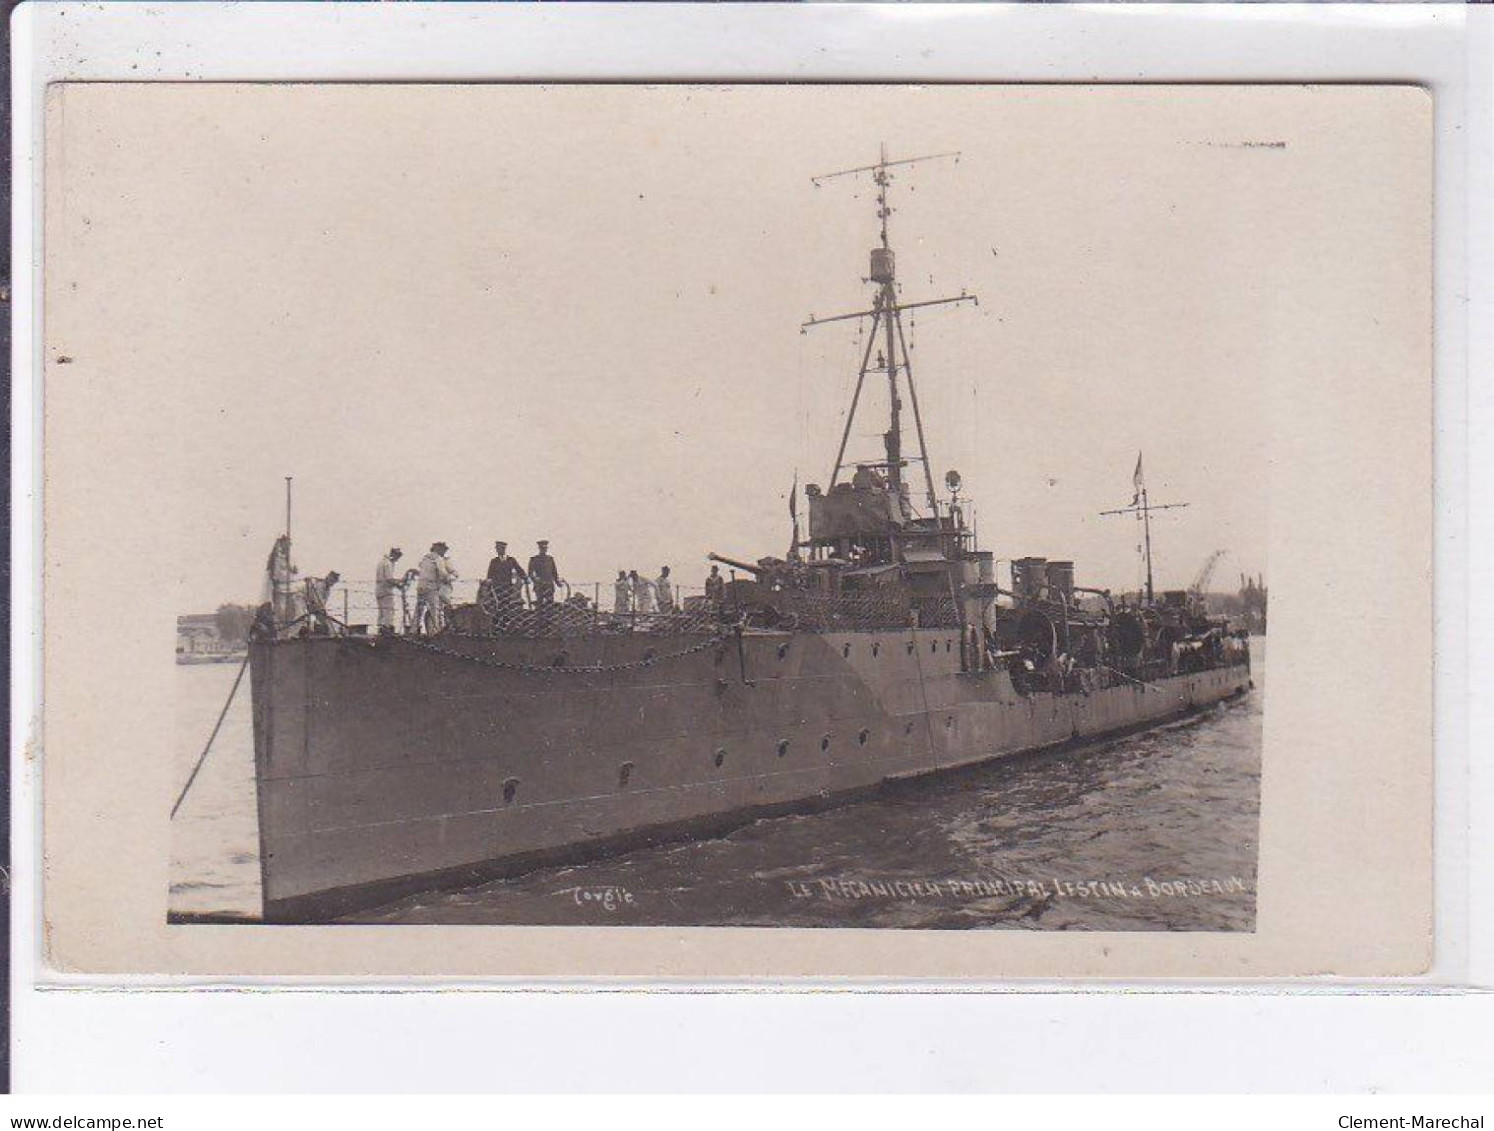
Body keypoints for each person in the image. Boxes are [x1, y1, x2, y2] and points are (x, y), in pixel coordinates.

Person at [484, 540, 527, 624]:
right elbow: (489, 575)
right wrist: (489, 581)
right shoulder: (494, 561)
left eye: (500, 549)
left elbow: (519, 570)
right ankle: (497, 623)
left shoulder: (511, 560)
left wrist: (525, 578)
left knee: (506, 604)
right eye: (497, 549)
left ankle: (505, 623)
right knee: (497, 604)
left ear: (504, 549)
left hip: (507, 586)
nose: (498, 551)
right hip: (497, 587)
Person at [415, 542, 454, 634]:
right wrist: (449, 579)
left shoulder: (425, 558)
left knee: (419, 609)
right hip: (431, 587)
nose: (444, 552)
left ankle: (413, 629)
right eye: (443, 549)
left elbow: (421, 567)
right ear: (438, 549)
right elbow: (443, 573)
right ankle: (437, 631)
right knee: (435, 609)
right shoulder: (438, 559)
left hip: (421, 586)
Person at [375, 547, 404, 635]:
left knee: (382, 611)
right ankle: (387, 630)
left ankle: (381, 629)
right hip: (386, 591)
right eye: (397, 556)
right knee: (389, 610)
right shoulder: (387, 564)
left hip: (379, 589)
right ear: (394, 555)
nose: (397, 559)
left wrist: (397, 581)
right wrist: (398, 585)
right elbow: (389, 579)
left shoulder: (381, 562)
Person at [304, 570, 341, 635]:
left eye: (334, 582)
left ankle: (330, 632)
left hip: (314, 606)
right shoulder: (320, 585)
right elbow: (316, 598)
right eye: (332, 580)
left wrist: (322, 610)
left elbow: (323, 602)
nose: (332, 583)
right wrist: (321, 609)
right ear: (328, 578)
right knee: (301, 616)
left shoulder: (328, 590)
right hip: (304, 600)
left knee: (324, 620)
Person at [527, 540, 561, 609]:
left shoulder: (550, 559)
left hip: (549, 585)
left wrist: (558, 582)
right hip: (539, 586)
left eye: (545, 548)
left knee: (550, 604)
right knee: (539, 604)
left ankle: (550, 618)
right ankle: (539, 618)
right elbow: (530, 573)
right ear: (539, 549)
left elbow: (554, 572)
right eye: (542, 548)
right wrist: (536, 580)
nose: (544, 550)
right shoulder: (534, 559)